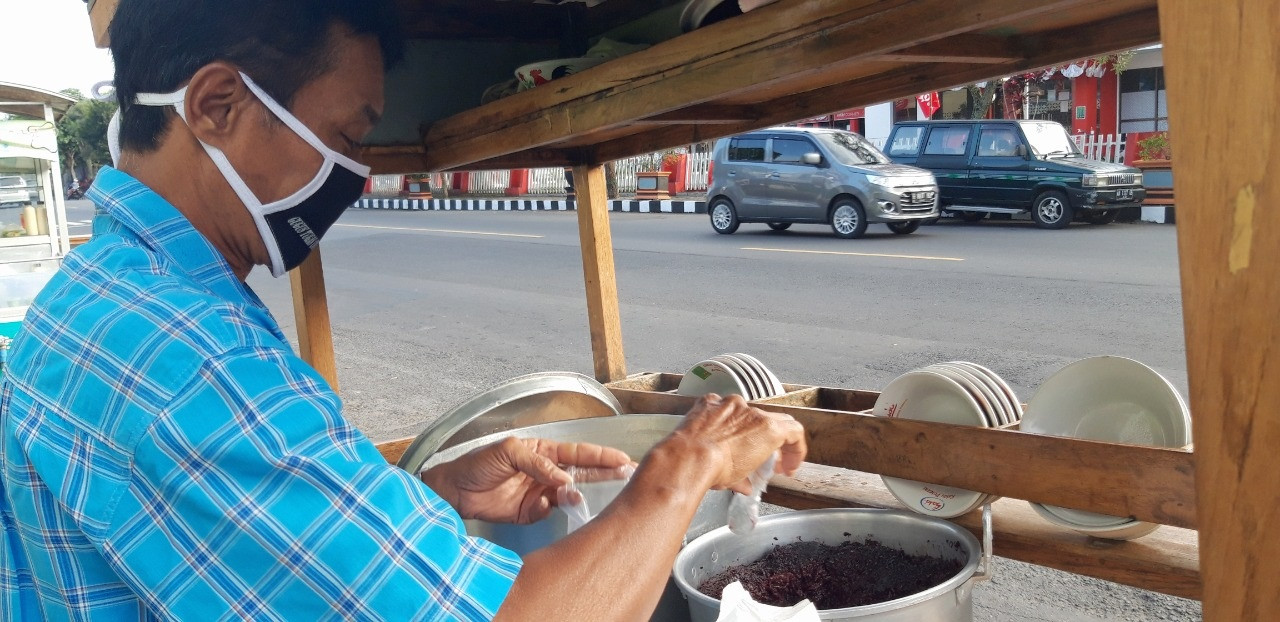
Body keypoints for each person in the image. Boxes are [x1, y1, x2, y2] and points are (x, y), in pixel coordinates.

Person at [0, 1, 806, 620]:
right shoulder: (194, 357)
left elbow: (216, 515)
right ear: (216, 105)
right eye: (343, 135)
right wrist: (686, 462)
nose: (353, 171)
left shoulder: (94, 296)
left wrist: (421, 497)